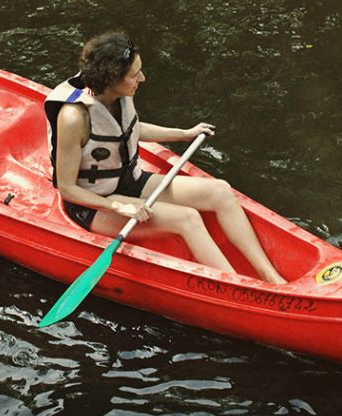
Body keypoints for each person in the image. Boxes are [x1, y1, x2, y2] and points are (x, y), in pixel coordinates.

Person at [45, 31, 286, 284]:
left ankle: (271, 277)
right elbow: (68, 189)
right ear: (111, 78)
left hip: (128, 181)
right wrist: (118, 206)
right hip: (94, 203)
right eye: (134, 74)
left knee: (220, 191)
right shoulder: (73, 118)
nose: (142, 78)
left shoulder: (119, 93)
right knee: (188, 218)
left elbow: (129, 129)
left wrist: (183, 134)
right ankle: (241, 288)